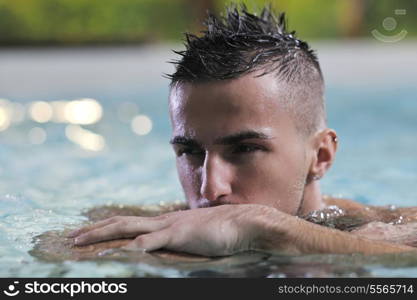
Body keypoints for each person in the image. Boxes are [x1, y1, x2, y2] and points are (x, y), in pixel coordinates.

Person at [67, 5, 417, 257]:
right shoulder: (156, 223)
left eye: (245, 149)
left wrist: (264, 229)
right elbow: (54, 253)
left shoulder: (386, 226)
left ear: (321, 156)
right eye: (190, 152)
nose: (210, 189)